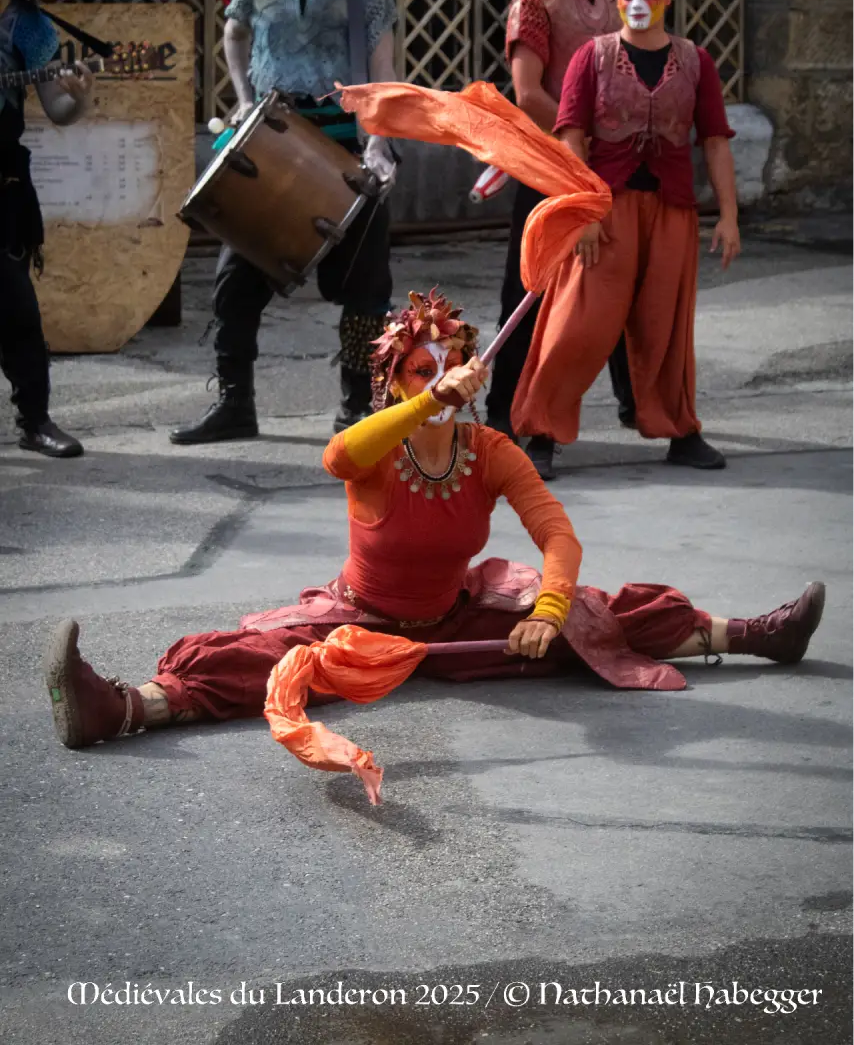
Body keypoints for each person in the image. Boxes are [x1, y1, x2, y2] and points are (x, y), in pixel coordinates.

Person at [44, 289, 824, 749]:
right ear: (394, 384)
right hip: (356, 617)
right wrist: (425, 404)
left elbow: (558, 534)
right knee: (262, 661)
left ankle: (753, 636)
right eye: (423, 369)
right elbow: (337, 458)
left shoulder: (488, 449)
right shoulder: (380, 446)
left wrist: (548, 609)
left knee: (593, 617)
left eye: (452, 365)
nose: (443, 378)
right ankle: (119, 709)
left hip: (455, 620)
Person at [170, 0, 399, 445]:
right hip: (276, 141)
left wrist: (380, 144)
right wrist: (243, 99)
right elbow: (234, 32)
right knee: (233, 285)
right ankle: (234, 403)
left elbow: (384, 74)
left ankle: (357, 405)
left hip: (345, 147)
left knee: (366, 290)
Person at [511, 0, 741, 470]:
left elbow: (715, 143)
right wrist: (584, 212)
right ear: (616, 1)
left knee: (668, 325)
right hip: (606, 211)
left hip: (671, 211)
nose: (638, 5)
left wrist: (728, 215)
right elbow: (570, 138)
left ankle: (680, 431)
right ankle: (542, 433)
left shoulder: (695, 61)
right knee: (579, 321)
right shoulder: (590, 58)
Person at [485, 0, 635, 480]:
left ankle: (642, 405)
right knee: (534, 286)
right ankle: (506, 417)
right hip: (550, 160)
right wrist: (589, 135)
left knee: (624, 281)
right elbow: (528, 94)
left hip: (615, 162)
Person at [0, 0, 92, 458]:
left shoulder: (26, 24)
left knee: (16, 310)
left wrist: (80, 97)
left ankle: (34, 420)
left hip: (3, 188)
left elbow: (57, 110)